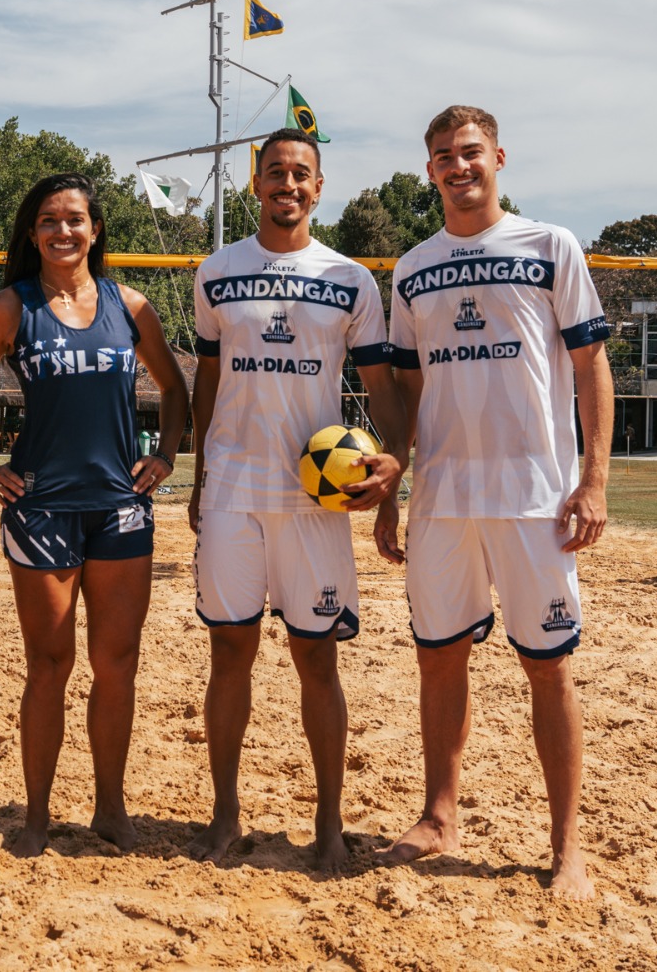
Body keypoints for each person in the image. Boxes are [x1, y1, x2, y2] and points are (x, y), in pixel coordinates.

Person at [375, 105, 612, 900]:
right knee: (438, 659)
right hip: (444, 498)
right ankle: (439, 816)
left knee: (547, 667)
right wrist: (391, 486)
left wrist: (596, 481)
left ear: (498, 157)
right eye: (442, 155)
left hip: (535, 498)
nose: (457, 165)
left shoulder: (550, 246)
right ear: (431, 170)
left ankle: (565, 846)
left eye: (469, 151)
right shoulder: (411, 268)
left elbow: (590, 370)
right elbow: (406, 392)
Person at [186, 128, 408, 869]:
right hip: (235, 488)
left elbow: (379, 388)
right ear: (256, 184)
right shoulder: (216, 272)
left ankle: (330, 823)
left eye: (301, 174)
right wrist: (200, 474)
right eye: (275, 172)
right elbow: (208, 380)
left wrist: (391, 476)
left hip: (319, 497)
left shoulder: (351, 280)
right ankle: (223, 814)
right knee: (229, 652)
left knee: (317, 660)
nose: (288, 183)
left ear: (320, 187)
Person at [0, 173, 188, 857]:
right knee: (49, 664)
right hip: (42, 508)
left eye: (76, 220)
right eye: (49, 221)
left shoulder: (131, 305)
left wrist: (167, 455)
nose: (63, 231)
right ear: (33, 234)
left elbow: (174, 388)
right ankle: (34, 815)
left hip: (119, 508)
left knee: (117, 664)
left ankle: (109, 807)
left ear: (96, 231)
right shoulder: (9, 308)